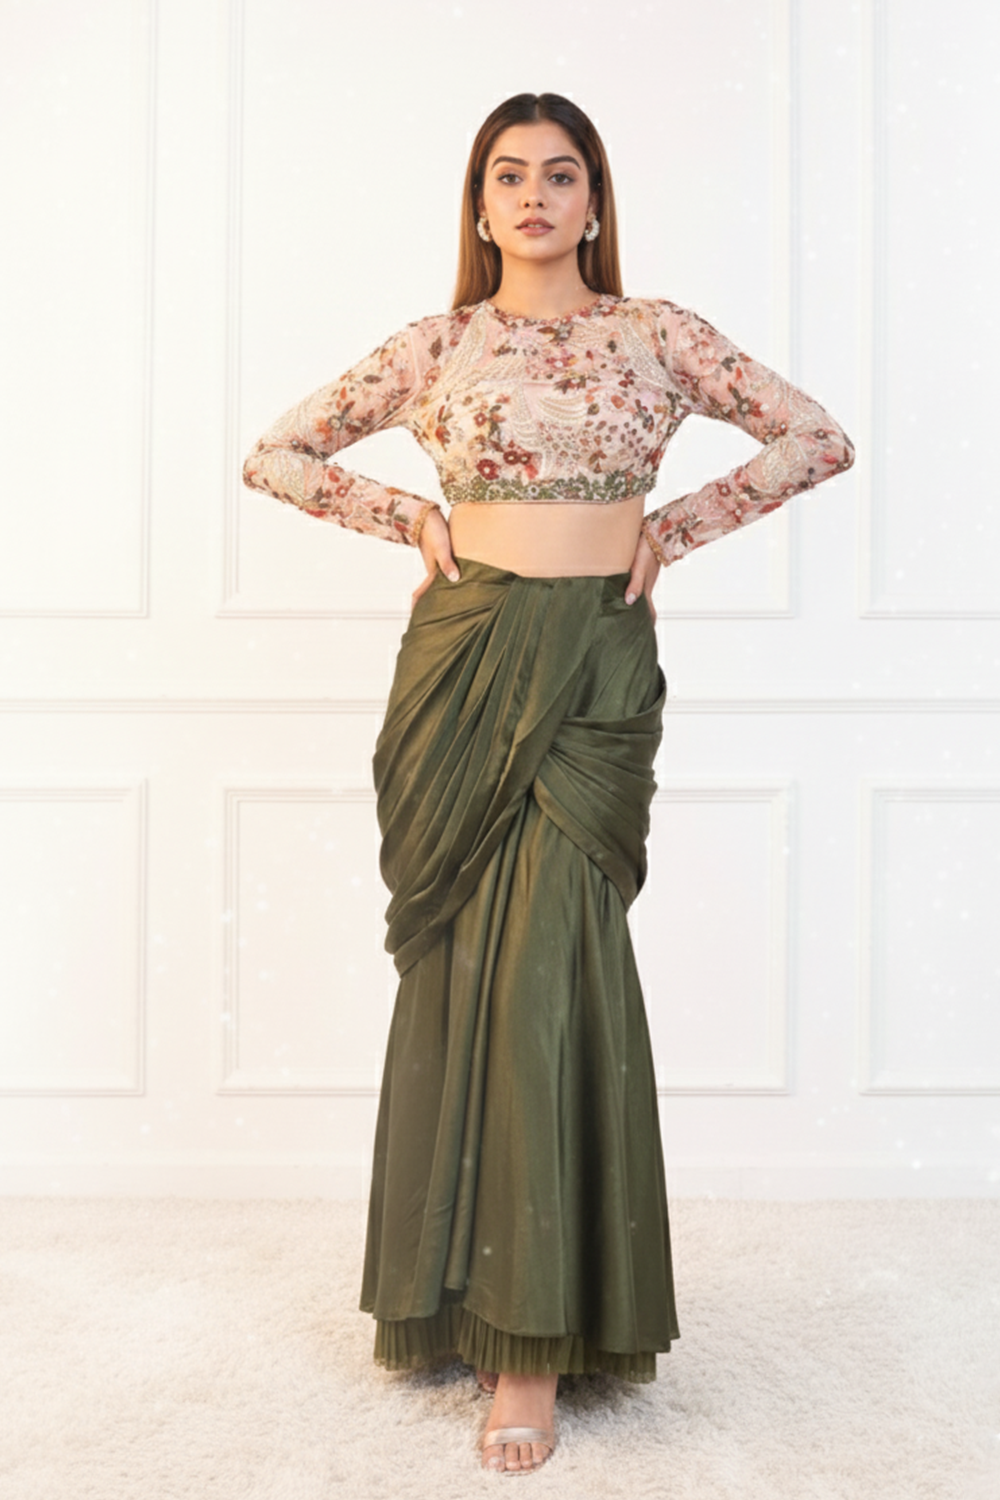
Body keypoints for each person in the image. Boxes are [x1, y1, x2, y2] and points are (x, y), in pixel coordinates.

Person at [242, 92, 854, 1475]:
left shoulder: (656, 334)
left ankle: (536, 1339)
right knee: (468, 968)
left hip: (592, 670)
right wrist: (409, 515)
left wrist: (678, 527)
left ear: (594, 200)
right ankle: (462, 1303)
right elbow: (276, 452)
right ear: (480, 204)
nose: (533, 195)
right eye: (509, 175)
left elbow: (816, 436)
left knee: (553, 966)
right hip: (465, 660)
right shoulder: (439, 343)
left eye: (560, 174)